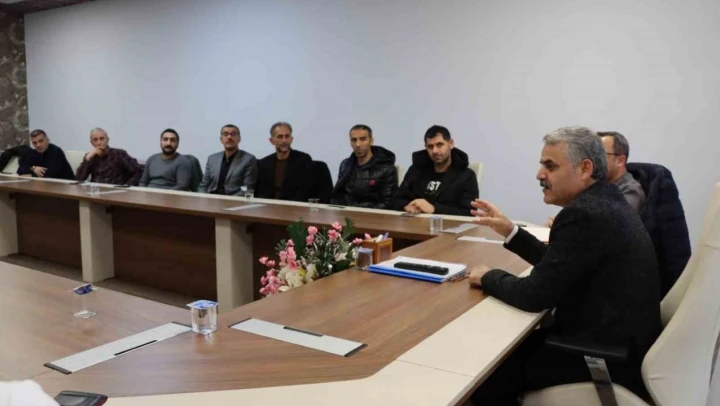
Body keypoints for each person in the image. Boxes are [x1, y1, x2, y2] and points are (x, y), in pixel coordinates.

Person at [468, 126, 661, 405]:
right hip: (618, 345)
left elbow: (533, 295)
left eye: (550, 166)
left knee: (487, 375)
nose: (539, 174)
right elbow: (561, 264)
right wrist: (511, 231)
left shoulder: (584, 213)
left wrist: (487, 276)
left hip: (600, 355)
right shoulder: (606, 201)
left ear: (585, 169)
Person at [546, 130, 645, 227]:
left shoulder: (631, 190)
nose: (594, 161)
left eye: (601, 155)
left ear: (620, 161)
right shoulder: (597, 186)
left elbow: (611, 222)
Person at [391, 125, 478, 215]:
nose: (435, 151)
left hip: (446, 223)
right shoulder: (416, 170)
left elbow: (469, 212)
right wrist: (406, 206)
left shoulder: (467, 176)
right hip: (415, 222)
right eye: (430, 146)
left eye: (439, 145)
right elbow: (396, 200)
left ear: (451, 144)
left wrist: (434, 209)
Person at [331, 124, 397, 209]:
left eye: (363, 139)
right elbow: (338, 195)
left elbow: (388, 203)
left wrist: (357, 210)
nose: (358, 144)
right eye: (354, 140)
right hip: (346, 213)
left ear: (371, 141)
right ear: (350, 142)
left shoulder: (387, 168)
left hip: (372, 214)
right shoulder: (345, 165)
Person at [255, 122, 314, 201]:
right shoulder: (264, 163)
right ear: (272, 141)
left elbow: (305, 190)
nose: (284, 140)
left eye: (287, 136)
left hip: (293, 205)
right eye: (280, 137)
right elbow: (261, 192)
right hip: (268, 205)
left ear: (291, 139)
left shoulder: (303, 160)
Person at [198, 124, 258, 196]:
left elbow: (248, 188)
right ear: (221, 139)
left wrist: (227, 200)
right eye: (225, 134)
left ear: (239, 139)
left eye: (233, 134)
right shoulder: (212, 158)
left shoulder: (248, 159)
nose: (229, 137)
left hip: (234, 200)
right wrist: (203, 198)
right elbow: (203, 185)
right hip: (211, 198)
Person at [75, 128, 144, 185]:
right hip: (94, 191)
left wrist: (127, 186)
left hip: (113, 193)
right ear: (91, 143)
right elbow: (78, 179)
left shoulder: (118, 154)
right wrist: (87, 158)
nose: (99, 143)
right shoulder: (90, 156)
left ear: (107, 140)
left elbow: (138, 171)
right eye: (95, 140)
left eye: (102, 139)